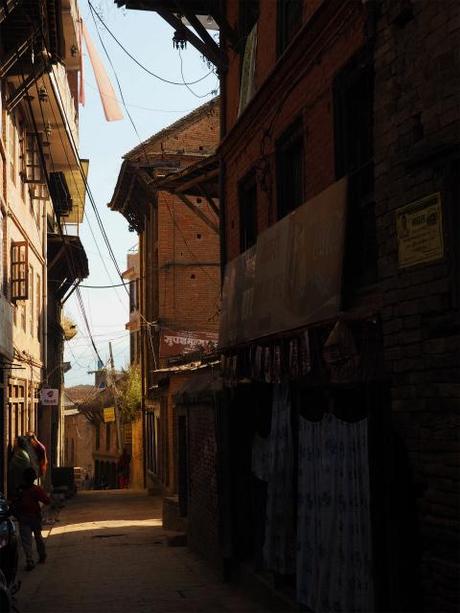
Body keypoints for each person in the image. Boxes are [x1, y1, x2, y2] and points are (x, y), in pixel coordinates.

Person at [11, 467, 50, 571]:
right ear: (33, 478)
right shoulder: (36, 489)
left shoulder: (20, 490)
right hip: (34, 518)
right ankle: (42, 556)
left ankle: (29, 560)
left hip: (23, 518)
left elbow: (13, 504)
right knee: (38, 538)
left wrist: (17, 516)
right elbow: (47, 501)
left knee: (26, 541)